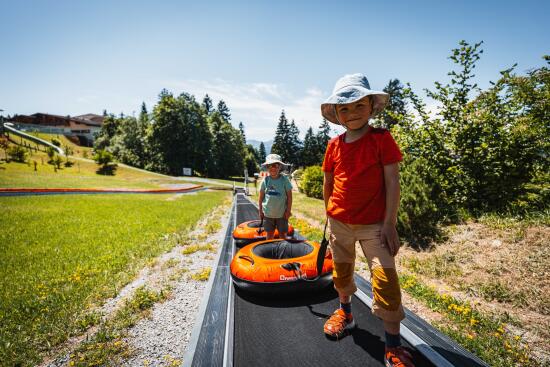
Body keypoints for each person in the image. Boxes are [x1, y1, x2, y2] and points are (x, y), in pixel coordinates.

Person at [320, 74, 414, 367]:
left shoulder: (381, 139)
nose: (352, 113)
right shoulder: (334, 146)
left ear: (371, 106)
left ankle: (393, 346)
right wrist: (329, 214)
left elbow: (392, 182)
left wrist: (389, 223)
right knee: (342, 273)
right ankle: (345, 313)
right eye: (344, 108)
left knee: (385, 281)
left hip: (375, 226)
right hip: (339, 224)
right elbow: (328, 182)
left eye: (358, 105)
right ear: (336, 114)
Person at [258, 154, 293, 240]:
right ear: (267, 167)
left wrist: (288, 211)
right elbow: (261, 197)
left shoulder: (285, 180)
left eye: (275, 165)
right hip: (268, 214)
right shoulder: (265, 180)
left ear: (280, 167)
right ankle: (270, 251)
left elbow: (289, 197)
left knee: (282, 235)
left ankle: (283, 252)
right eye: (270, 165)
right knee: (269, 235)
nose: (273, 168)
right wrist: (260, 210)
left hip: (282, 215)